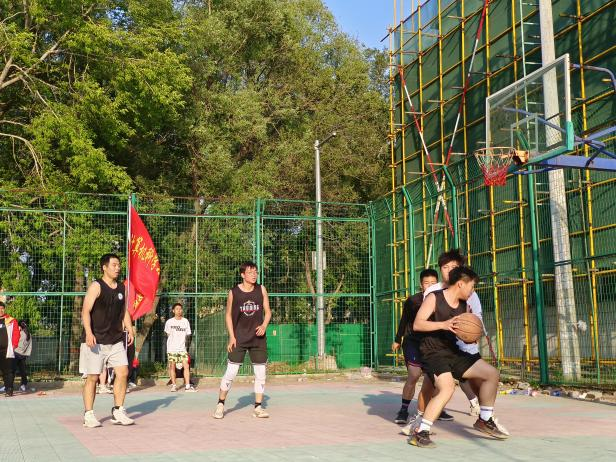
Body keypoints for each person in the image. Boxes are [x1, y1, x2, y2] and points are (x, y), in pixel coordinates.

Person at [409, 266, 509, 448]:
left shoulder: (464, 304)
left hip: (453, 351)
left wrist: (468, 336)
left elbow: (461, 329)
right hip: (433, 353)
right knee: (447, 388)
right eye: (472, 286)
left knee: (491, 373)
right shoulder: (434, 298)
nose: (472, 290)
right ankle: (420, 432)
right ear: (461, 284)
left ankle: (485, 420)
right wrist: (443, 324)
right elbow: (418, 324)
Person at [79, 253, 135, 428]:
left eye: (119, 265)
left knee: (123, 372)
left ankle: (118, 411)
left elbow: (124, 311)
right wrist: (89, 332)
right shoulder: (96, 286)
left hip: (116, 340)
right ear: (104, 267)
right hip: (96, 340)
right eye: (114, 265)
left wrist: (129, 327)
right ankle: (88, 414)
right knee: (93, 377)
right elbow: (85, 311)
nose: (118, 268)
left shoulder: (121, 288)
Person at [393, 269, 455, 423]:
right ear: (421, 285)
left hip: (433, 344)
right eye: (427, 283)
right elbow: (404, 320)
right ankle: (403, 410)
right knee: (414, 375)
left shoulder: (442, 299)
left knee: (436, 378)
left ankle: (436, 409)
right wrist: (397, 339)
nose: (430, 286)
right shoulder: (413, 300)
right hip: (413, 342)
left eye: (433, 283)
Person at [213, 261, 271, 419]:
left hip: (258, 338)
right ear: (243, 275)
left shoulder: (261, 289)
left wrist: (264, 325)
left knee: (260, 373)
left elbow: (268, 312)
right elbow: (228, 316)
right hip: (239, 338)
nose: (254, 275)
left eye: (256, 272)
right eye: (250, 272)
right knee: (231, 372)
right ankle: (220, 404)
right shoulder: (234, 292)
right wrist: (232, 336)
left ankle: (258, 407)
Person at [164, 303, 195, 392]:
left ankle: (187, 386)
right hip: (172, 348)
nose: (179, 310)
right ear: (173, 311)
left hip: (182, 349)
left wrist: (183, 344)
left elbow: (188, 334)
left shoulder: (185, 321)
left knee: (186, 365)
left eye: (180, 309)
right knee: (172, 366)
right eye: (177, 309)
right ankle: (174, 385)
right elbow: (168, 334)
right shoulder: (169, 322)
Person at [0, 302, 19, 397]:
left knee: (8, 371)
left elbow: (16, 333)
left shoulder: (11, 320)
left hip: (7, 350)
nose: (0, 310)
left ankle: (9, 389)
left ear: (4, 309)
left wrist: (14, 345)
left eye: (2, 308)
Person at [13, 320, 32, 392]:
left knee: (12, 370)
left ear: (19, 326)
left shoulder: (19, 333)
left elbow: (15, 343)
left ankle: (8, 386)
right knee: (23, 371)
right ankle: (23, 385)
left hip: (16, 353)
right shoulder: (29, 334)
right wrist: (27, 353)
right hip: (23, 355)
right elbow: (29, 346)